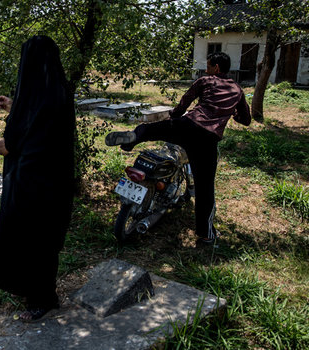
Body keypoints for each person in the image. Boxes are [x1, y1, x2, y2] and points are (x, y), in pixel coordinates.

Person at [105, 52, 251, 245]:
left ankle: (132, 139)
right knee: (205, 188)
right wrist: (234, 115)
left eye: (208, 65)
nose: (205, 68)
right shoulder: (237, 89)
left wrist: (173, 118)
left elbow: (184, 103)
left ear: (216, 67)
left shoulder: (206, 81)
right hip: (208, 140)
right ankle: (206, 235)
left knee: (149, 130)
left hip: (187, 126)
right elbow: (246, 120)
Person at [0, 35, 75, 322]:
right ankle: (39, 294)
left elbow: (38, 139)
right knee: (40, 240)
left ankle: (42, 300)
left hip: (37, 185)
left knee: (36, 240)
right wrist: (12, 106)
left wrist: (10, 146)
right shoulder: (54, 89)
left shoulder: (47, 94)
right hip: (50, 183)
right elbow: (34, 118)